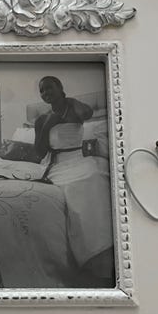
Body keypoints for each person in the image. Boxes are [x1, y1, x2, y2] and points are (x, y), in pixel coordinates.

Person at [34, 76, 115, 287]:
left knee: (94, 178)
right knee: (70, 189)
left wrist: (67, 101)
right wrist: (48, 124)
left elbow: (87, 113)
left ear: (60, 87)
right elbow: (39, 152)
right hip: (58, 164)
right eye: (42, 90)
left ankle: (102, 255)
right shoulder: (41, 120)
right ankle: (84, 258)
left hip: (79, 159)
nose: (45, 93)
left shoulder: (75, 109)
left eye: (50, 88)